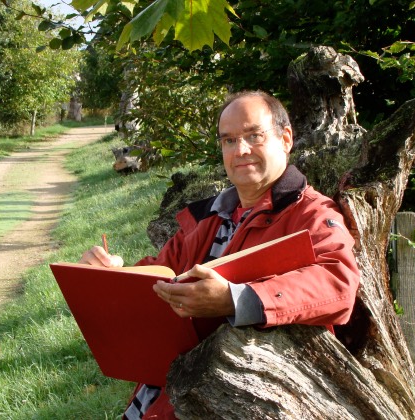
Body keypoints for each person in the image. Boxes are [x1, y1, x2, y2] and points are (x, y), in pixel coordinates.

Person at [79, 90, 360, 419]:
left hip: (246, 400)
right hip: (168, 391)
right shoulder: (208, 218)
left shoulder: (310, 213)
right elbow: (157, 276)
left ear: (285, 139)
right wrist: (114, 274)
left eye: (253, 135)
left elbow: (338, 281)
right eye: (228, 140)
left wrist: (236, 299)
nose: (240, 150)